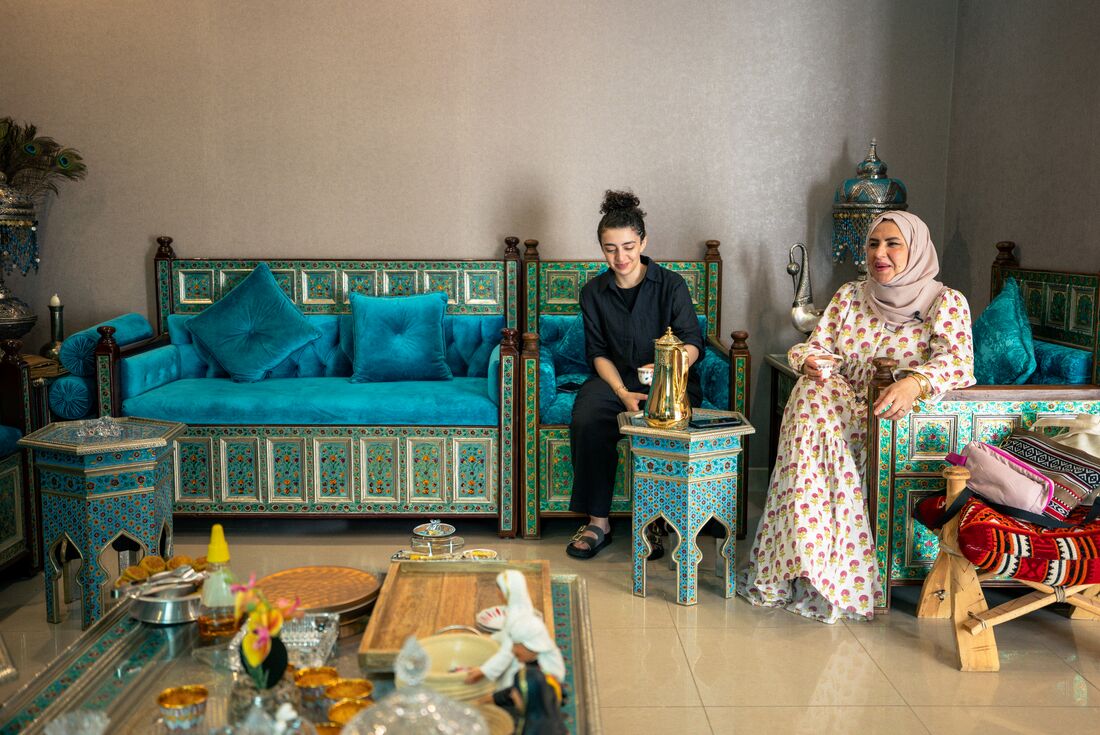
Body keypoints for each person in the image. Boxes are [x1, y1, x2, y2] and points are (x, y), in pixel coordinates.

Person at [739, 211, 975, 623]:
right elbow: (814, 346)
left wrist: (914, 383)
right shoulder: (850, 295)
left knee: (812, 426)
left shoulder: (946, 302)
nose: (879, 254)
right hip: (841, 409)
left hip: (897, 422)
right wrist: (811, 361)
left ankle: (827, 568)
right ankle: (810, 562)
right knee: (810, 394)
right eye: (873, 244)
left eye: (892, 244)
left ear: (916, 249)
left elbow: (958, 362)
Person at [566, 190, 705, 559]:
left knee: (665, 422)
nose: (621, 257)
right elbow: (597, 352)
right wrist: (621, 393)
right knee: (588, 418)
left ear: (643, 242)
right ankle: (598, 522)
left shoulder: (671, 284)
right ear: (601, 248)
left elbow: (693, 342)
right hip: (614, 380)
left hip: (671, 380)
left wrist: (668, 368)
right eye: (610, 249)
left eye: (628, 246)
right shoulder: (593, 292)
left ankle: (657, 522)